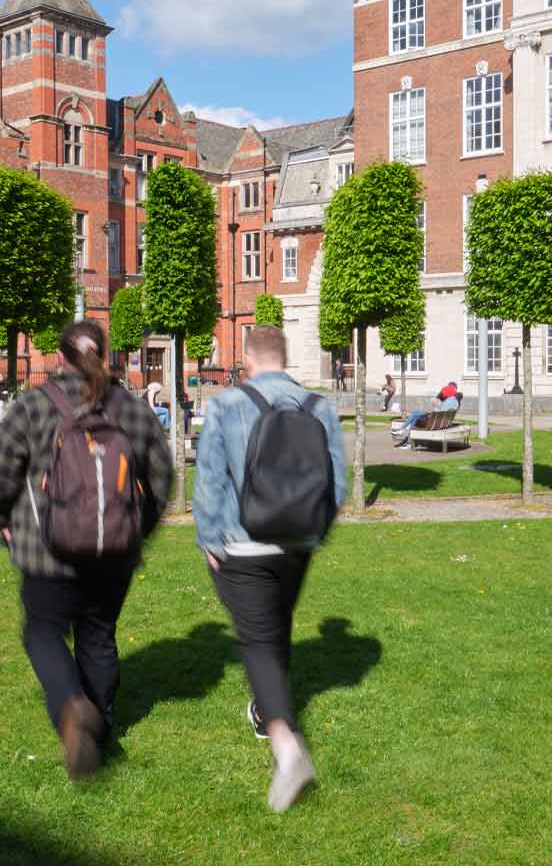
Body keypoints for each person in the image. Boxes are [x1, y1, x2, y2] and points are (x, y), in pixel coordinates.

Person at [0, 320, 174, 781]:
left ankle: (72, 707)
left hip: (46, 552)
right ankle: (98, 732)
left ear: (60, 356)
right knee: (99, 635)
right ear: (104, 354)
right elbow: (162, 479)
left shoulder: (33, 406)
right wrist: (136, 531)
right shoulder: (130, 407)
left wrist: (4, 521)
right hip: (114, 553)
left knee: (43, 633)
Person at [194, 325, 348, 812]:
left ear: (248, 357)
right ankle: (266, 710)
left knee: (257, 639)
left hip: (244, 543)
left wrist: (209, 538)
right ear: (285, 357)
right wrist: (315, 533)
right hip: (298, 542)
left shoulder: (224, 404)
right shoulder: (319, 407)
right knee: (276, 626)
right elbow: (337, 483)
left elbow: (210, 480)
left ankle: (286, 746)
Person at [391, 388, 461, 446]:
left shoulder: (449, 401)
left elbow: (438, 412)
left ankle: (403, 432)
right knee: (416, 415)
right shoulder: (456, 404)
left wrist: (433, 409)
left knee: (416, 415)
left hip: (431, 423)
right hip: (437, 422)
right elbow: (442, 413)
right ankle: (407, 439)